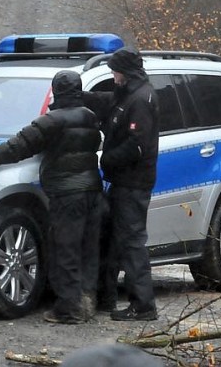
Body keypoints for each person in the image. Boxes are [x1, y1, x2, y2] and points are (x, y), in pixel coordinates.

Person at [0, 70, 102, 324]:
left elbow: (19, 145)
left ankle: (68, 309)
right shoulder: (90, 116)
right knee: (87, 249)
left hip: (66, 193)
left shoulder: (50, 121)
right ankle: (86, 302)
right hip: (92, 190)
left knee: (66, 250)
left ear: (56, 90)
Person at [82, 47, 159, 321]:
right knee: (116, 241)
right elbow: (109, 102)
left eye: (115, 71)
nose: (113, 76)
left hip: (133, 182)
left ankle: (143, 305)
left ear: (124, 72)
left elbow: (137, 146)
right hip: (124, 181)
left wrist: (106, 160)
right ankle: (110, 297)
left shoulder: (141, 99)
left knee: (132, 242)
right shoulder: (129, 93)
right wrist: (77, 97)